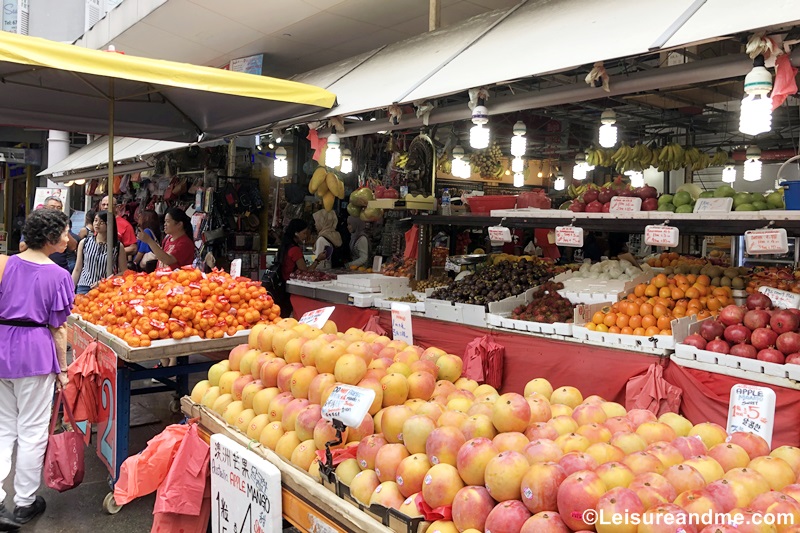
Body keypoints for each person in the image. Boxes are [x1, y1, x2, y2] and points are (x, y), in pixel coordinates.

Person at [0, 208, 74, 528]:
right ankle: (24, 503)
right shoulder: (59, 276)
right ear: (50, 239)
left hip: (2, 347)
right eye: (64, 233)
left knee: (3, 427)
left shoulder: (6, 264)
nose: (69, 238)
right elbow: (59, 328)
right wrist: (63, 369)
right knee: (31, 430)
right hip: (35, 353)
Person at [72, 211, 127, 295]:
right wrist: (70, 289)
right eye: (96, 220)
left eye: (101, 222)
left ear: (109, 224)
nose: (97, 224)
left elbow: (124, 272)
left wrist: (105, 281)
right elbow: (77, 269)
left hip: (106, 288)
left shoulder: (118, 246)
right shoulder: (84, 243)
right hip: (84, 286)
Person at [19, 197, 78, 272]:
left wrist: (63, 229)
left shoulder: (63, 225)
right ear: (44, 208)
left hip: (59, 268)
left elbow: (73, 246)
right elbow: (22, 247)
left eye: (58, 208)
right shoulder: (35, 224)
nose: (55, 210)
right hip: (36, 267)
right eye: (52, 207)